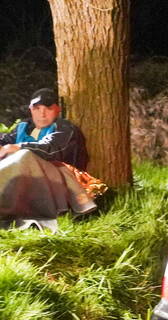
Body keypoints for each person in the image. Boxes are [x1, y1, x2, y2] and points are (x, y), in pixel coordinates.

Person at [0, 88, 100, 230]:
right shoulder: (24, 127)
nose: (42, 114)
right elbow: (5, 141)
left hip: (58, 181)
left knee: (24, 155)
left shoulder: (64, 128)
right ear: (31, 110)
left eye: (48, 108)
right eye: (37, 108)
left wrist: (18, 146)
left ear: (58, 110)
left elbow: (52, 149)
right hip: (26, 182)